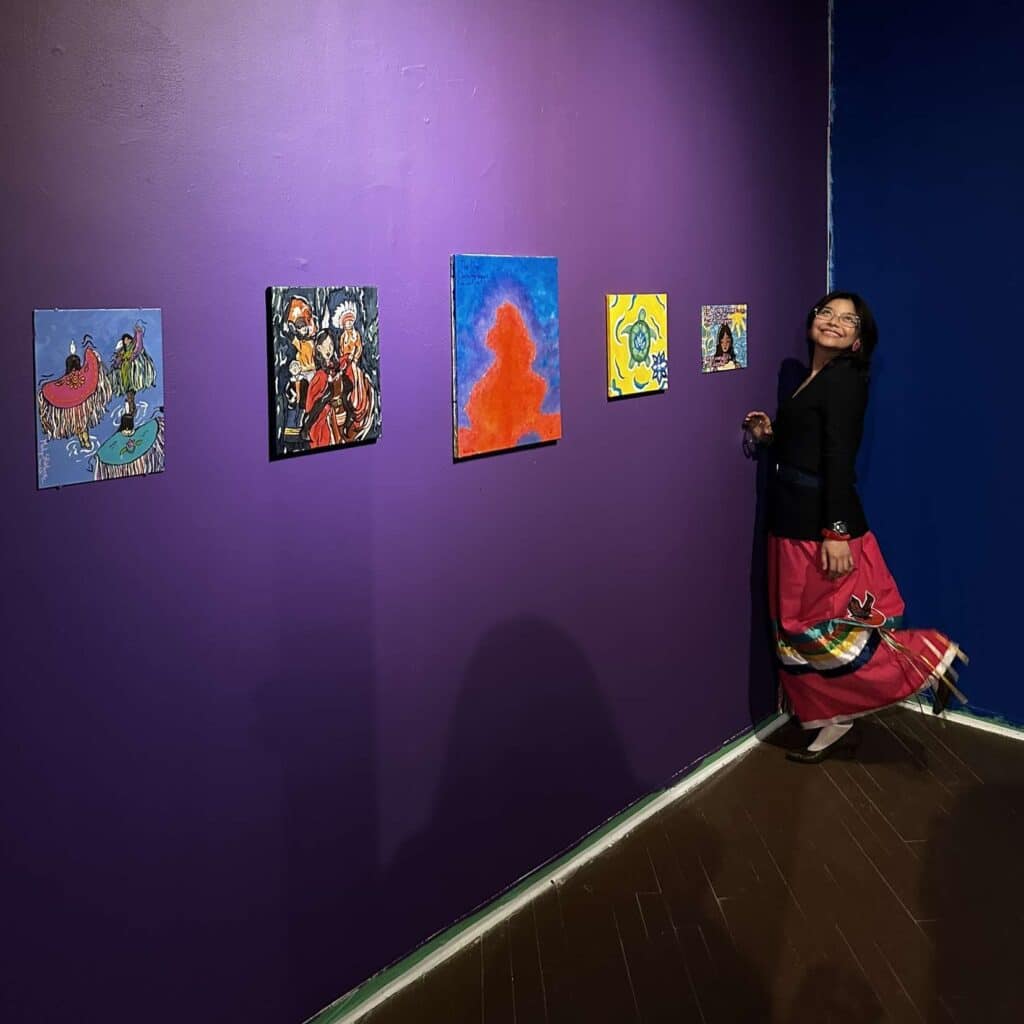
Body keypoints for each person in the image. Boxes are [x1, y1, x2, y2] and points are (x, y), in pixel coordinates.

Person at [744, 291, 965, 763]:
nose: (834, 322)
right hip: (791, 519)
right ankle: (833, 722)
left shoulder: (845, 381)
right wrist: (772, 436)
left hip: (815, 526)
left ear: (859, 340)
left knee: (808, 628)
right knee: (795, 630)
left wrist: (837, 531)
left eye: (848, 320)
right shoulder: (813, 378)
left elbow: (838, 458)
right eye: (827, 312)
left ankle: (928, 656)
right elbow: (811, 442)